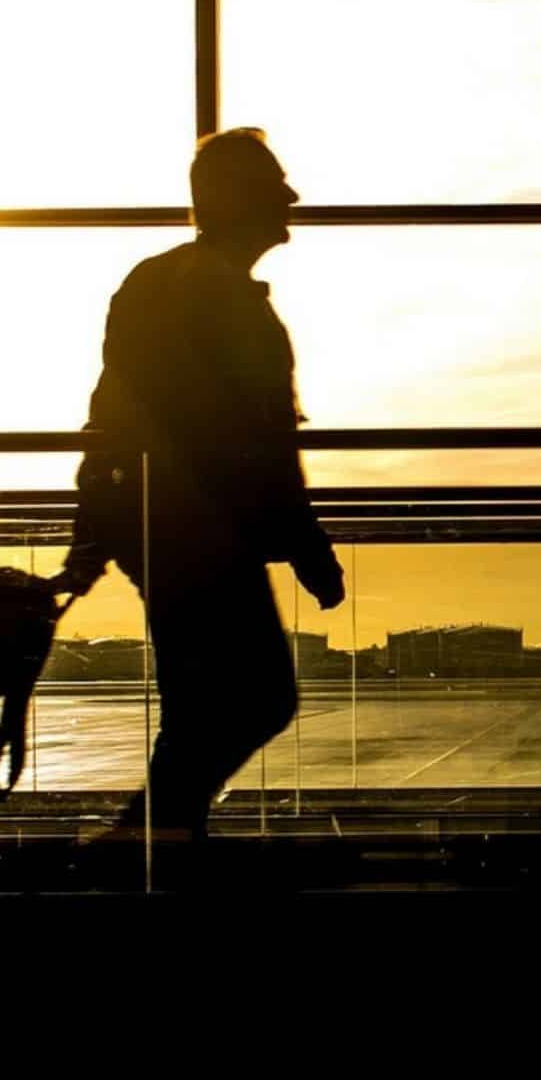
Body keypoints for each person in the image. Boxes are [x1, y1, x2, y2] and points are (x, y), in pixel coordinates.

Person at [54, 128, 345, 856]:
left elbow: (114, 415)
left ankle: (162, 837)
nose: (291, 196)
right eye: (275, 182)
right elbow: (257, 440)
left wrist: (94, 532)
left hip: (165, 523)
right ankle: (153, 833)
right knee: (258, 696)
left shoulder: (163, 283)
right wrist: (308, 547)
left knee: (203, 701)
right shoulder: (213, 295)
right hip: (198, 528)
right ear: (237, 198)